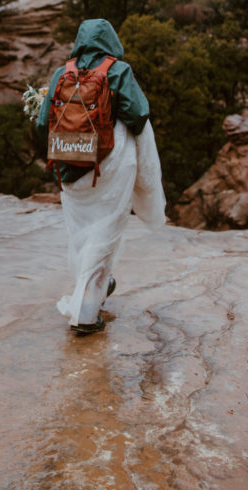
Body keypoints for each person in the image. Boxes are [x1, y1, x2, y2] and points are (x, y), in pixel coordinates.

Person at [36, 18, 166, 335]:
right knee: (105, 231)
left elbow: (42, 124)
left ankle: (97, 284)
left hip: (69, 166)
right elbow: (137, 115)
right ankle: (85, 312)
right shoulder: (117, 70)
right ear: (111, 41)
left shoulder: (60, 73)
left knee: (83, 230)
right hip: (109, 163)